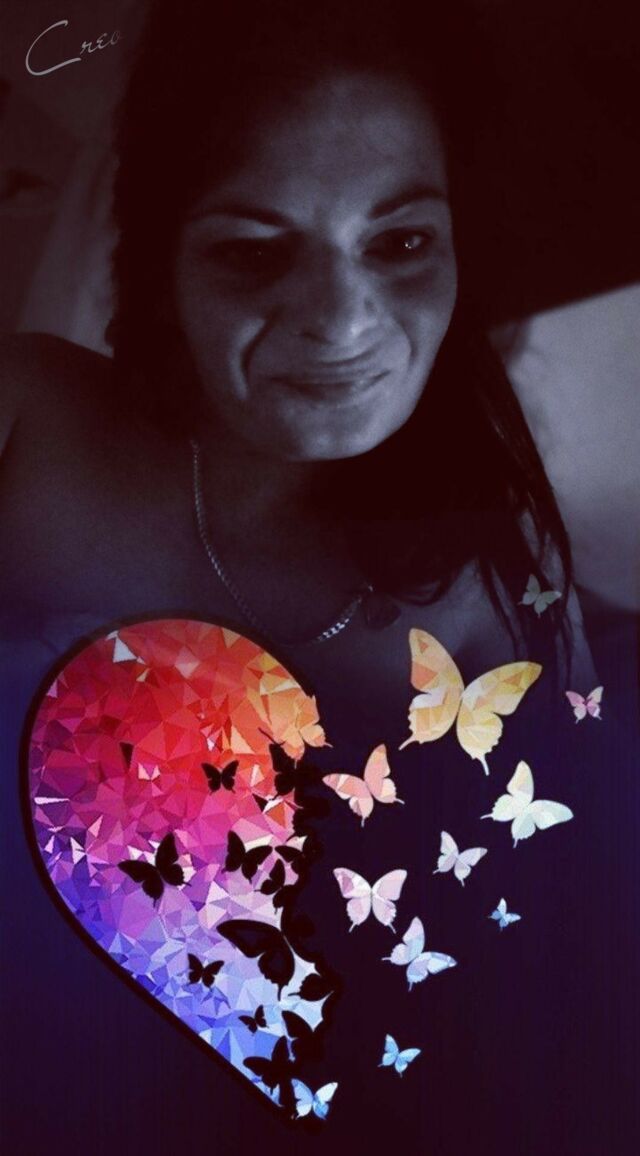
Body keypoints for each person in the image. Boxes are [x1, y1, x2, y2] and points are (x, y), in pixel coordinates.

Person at [0, 2, 636, 1154]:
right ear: (161, 260)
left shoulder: (498, 592)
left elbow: (543, 954)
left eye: (401, 241)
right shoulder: (26, 427)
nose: (343, 322)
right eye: (254, 250)